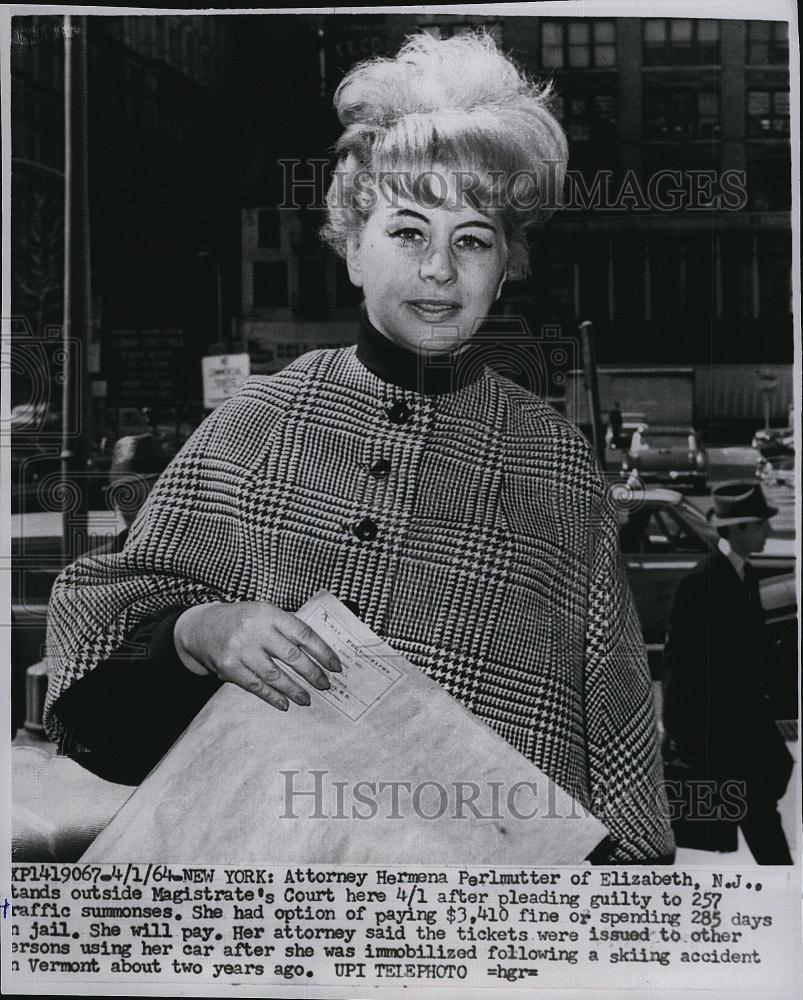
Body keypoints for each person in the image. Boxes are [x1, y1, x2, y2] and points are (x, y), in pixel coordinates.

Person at [44, 31, 673, 863]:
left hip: (476, 947)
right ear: (350, 243)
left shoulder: (555, 465)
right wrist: (198, 632)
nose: (440, 269)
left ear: (508, 262)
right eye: (408, 231)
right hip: (262, 924)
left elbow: (612, 778)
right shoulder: (258, 423)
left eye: (473, 238)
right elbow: (103, 725)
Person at [662, 481, 793, 864]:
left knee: (763, 825)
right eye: (759, 524)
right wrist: (686, 740)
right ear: (736, 529)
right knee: (762, 829)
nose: (769, 531)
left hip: (744, 739)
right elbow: (679, 669)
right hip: (723, 742)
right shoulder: (701, 583)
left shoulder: (742, 576)